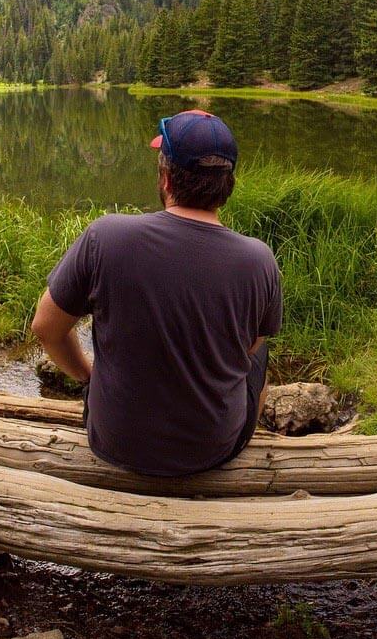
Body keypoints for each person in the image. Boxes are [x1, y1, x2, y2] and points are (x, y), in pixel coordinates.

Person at [30, 109, 281, 477]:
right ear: (229, 185)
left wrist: (88, 376)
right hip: (212, 452)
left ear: (165, 177)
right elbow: (249, 350)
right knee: (261, 357)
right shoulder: (259, 259)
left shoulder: (106, 236)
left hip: (113, 442)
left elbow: (45, 327)